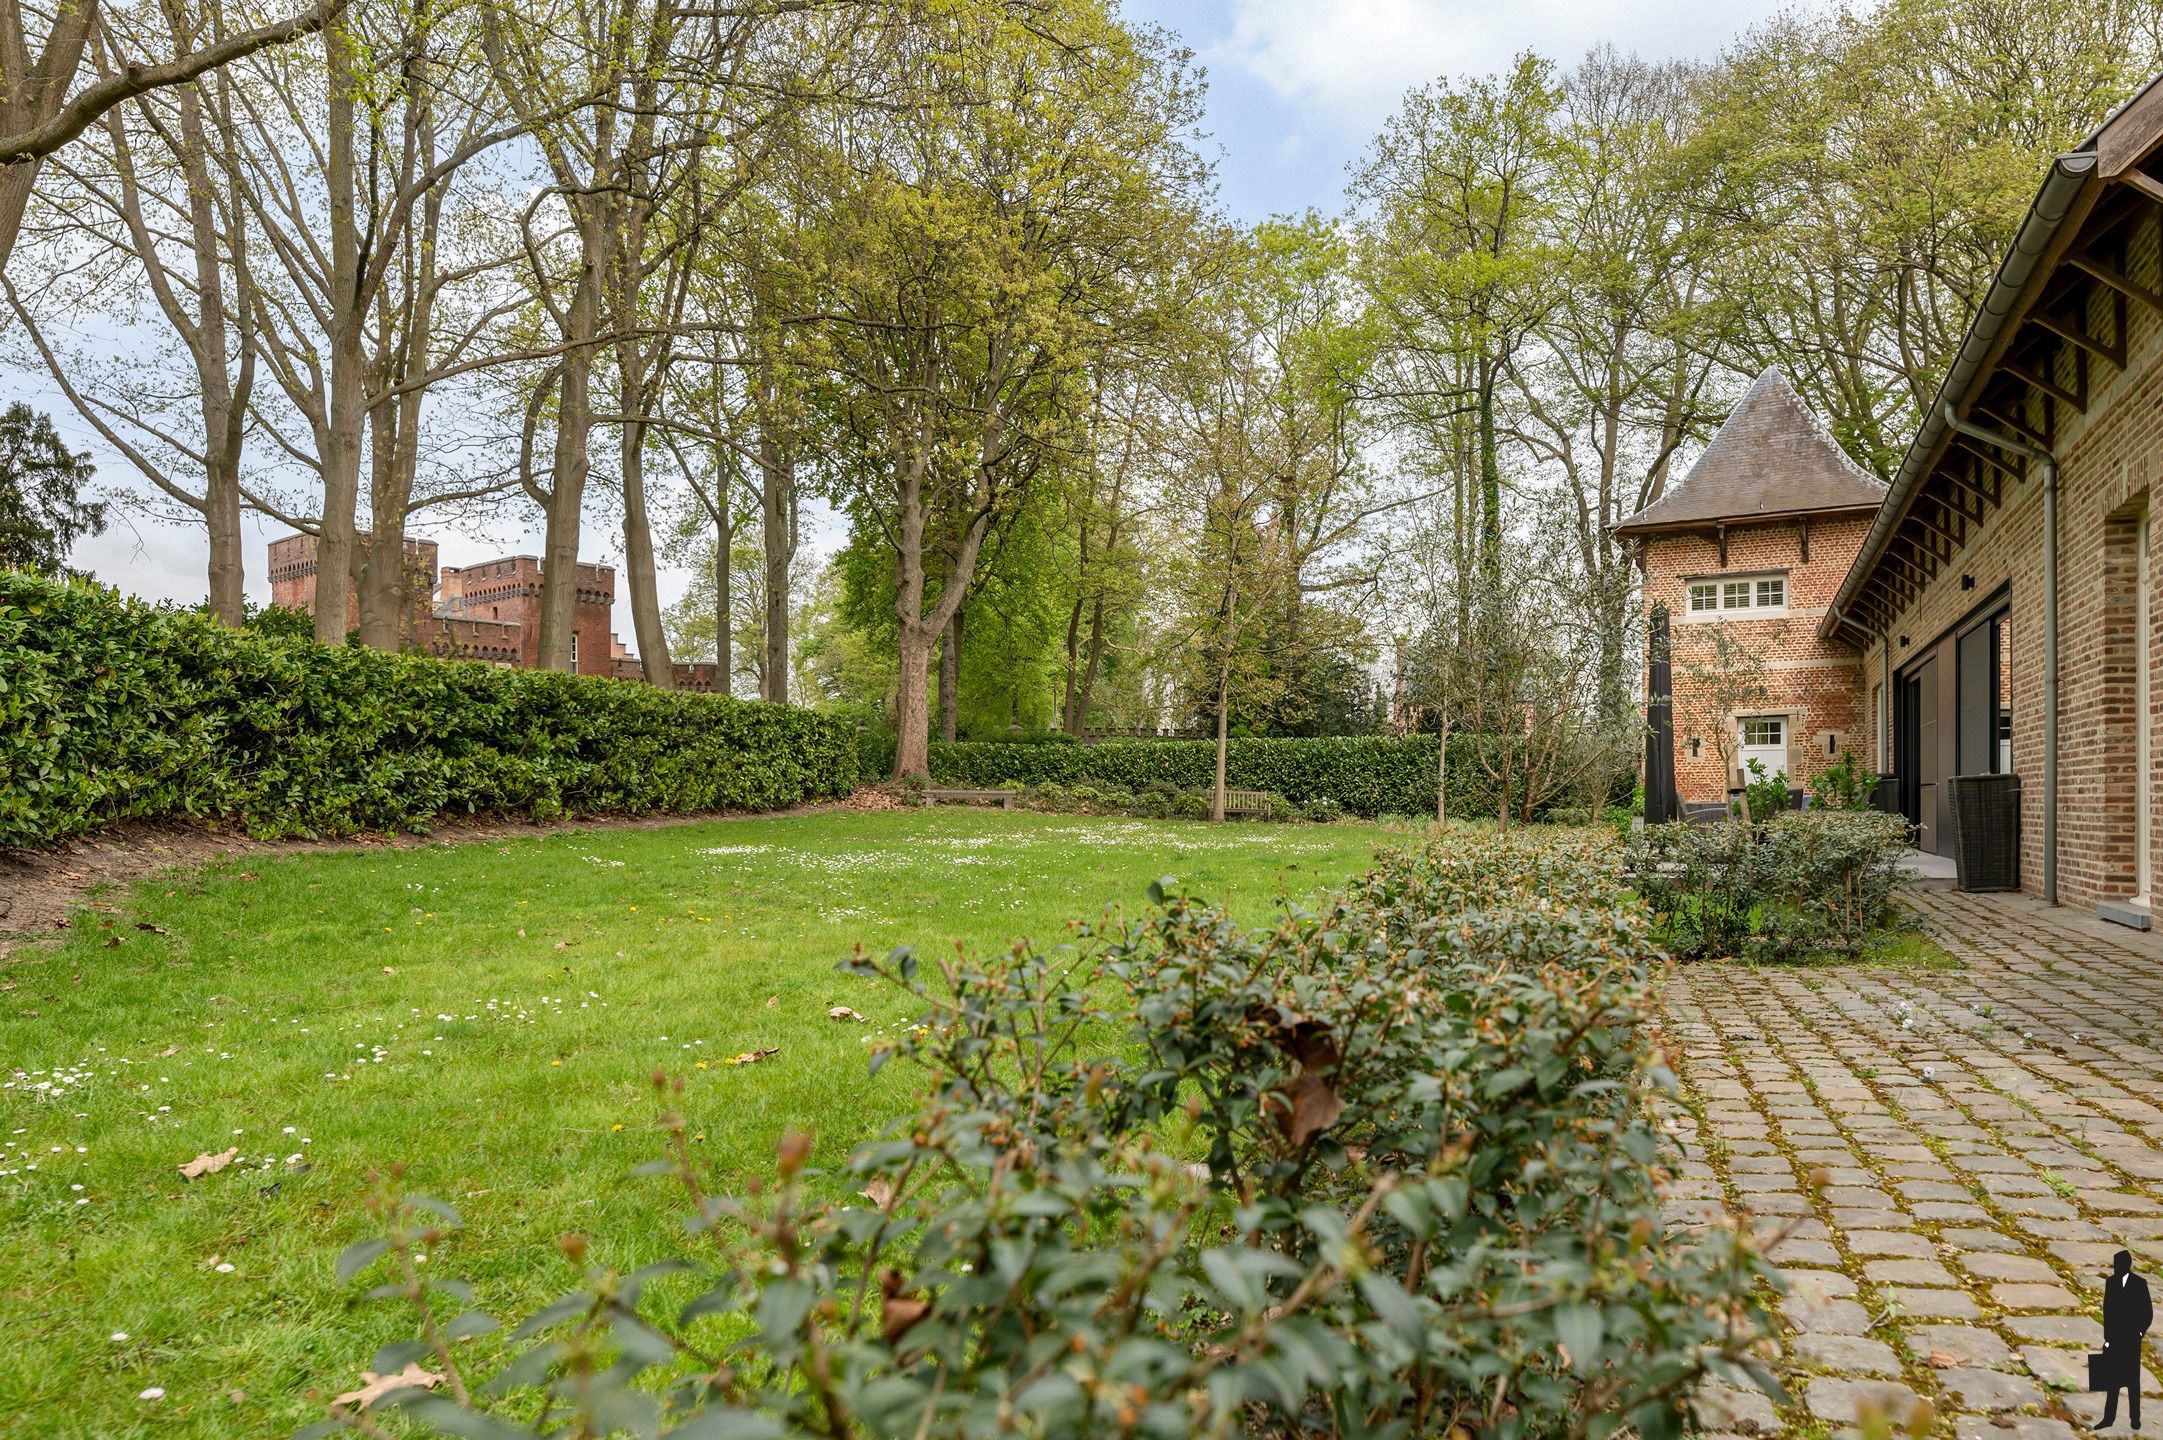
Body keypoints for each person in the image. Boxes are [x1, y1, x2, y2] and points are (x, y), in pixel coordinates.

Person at [2100, 1249, 2153, 1430]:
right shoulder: (2111, 1282)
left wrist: (2139, 1333)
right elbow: (2108, 1312)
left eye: (2119, 1264)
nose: (2117, 1267)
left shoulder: (2139, 1283)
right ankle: (2109, 1418)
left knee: (2132, 1381)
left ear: (2127, 1265)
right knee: (2112, 1381)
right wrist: (2107, 1338)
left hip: (2131, 1339)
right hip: (2114, 1338)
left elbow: (2147, 1311)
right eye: (2115, 1264)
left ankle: (2135, 1418)